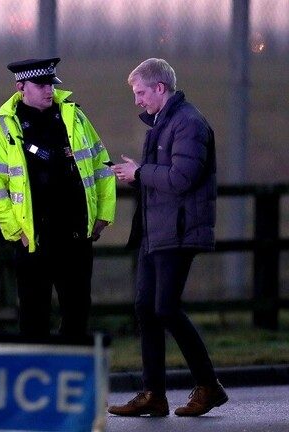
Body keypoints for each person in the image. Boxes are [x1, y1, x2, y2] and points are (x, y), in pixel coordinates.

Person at [107, 58, 226, 417]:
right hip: (156, 232)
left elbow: (181, 178)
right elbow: (161, 177)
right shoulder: (163, 123)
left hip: (178, 231)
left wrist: (140, 172)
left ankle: (208, 385)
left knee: (166, 309)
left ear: (160, 88)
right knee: (146, 309)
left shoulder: (188, 123)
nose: (137, 100)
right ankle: (153, 394)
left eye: (140, 92)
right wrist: (133, 174)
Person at [0, 57, 116, 340]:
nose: (48, 90)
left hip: (75, 236)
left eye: (50, 84)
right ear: (21, 87)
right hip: (34, 239)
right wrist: (17, 231)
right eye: (40, 85)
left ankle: (71, 367)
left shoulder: (74, 117)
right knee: (33, 318)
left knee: (77, 314)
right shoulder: (4, 127)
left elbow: (102, 166)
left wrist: (103, 214)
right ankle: (35, 368)